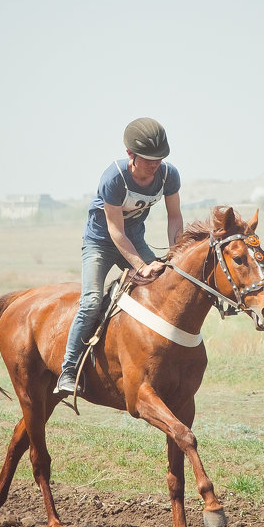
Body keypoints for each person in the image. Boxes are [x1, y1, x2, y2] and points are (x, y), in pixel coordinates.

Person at [55, 117, 184, 395]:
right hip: (100, 242)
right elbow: (114, 230)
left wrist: (176, 255)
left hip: (135, 239)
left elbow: (175, 218)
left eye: (159, 158)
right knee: (90, 302)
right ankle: (68, 369)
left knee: (162, 290)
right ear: (130, 154)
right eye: (148, 159)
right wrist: (140, 265)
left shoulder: (168, 175)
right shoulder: (113, 178)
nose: (155, 164)